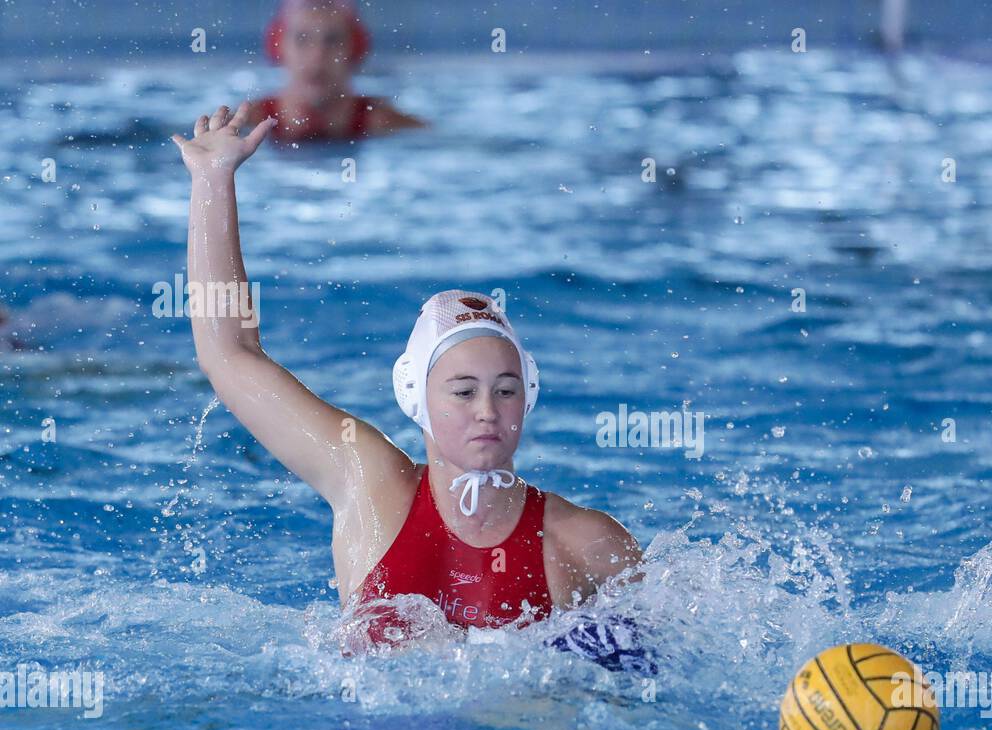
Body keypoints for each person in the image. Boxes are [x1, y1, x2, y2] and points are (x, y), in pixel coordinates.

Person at [170, 102, 643, 651]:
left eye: (505, 390)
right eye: (463, 391)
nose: (487, 410)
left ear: (528, 395)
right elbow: (229, 354)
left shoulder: (586, 544)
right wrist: (211, 181)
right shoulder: (369, 488)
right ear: (414, 395)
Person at [248, 0, 425, 143]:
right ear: (278, 47)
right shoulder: (248, 123)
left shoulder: (386, 124)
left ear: (355, 49)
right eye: (302, 39)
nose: (317, 56)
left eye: (332, 40)